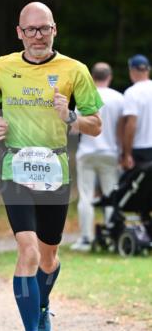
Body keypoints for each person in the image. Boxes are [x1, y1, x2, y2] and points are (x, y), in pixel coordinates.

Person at [0, 2, 102, 331]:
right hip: (16, 167)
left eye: (43, 29)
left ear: (54, 30)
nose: (37, 36)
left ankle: (43, 304)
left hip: (54, 171)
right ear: (19, 32)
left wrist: (72, 116)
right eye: (30, 29)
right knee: (28, 250)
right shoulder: (3, 66)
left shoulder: (74, 70)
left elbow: (96, 123)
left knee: (48, 256)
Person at [71, 62, 123, 251]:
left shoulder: (86, 96)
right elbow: (123, 128)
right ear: (109, 77)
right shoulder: (119, 98)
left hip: (87, 151)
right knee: (111, 195)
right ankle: (111, 236)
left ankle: (86, 238)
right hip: (110, 152)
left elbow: (74, 126)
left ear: (92, 77)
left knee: (86, 196)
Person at [121, 54, 152, 168]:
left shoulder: (132, 92)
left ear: (132, 70)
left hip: (140, 149)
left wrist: (127, 154)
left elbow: (131, 125)